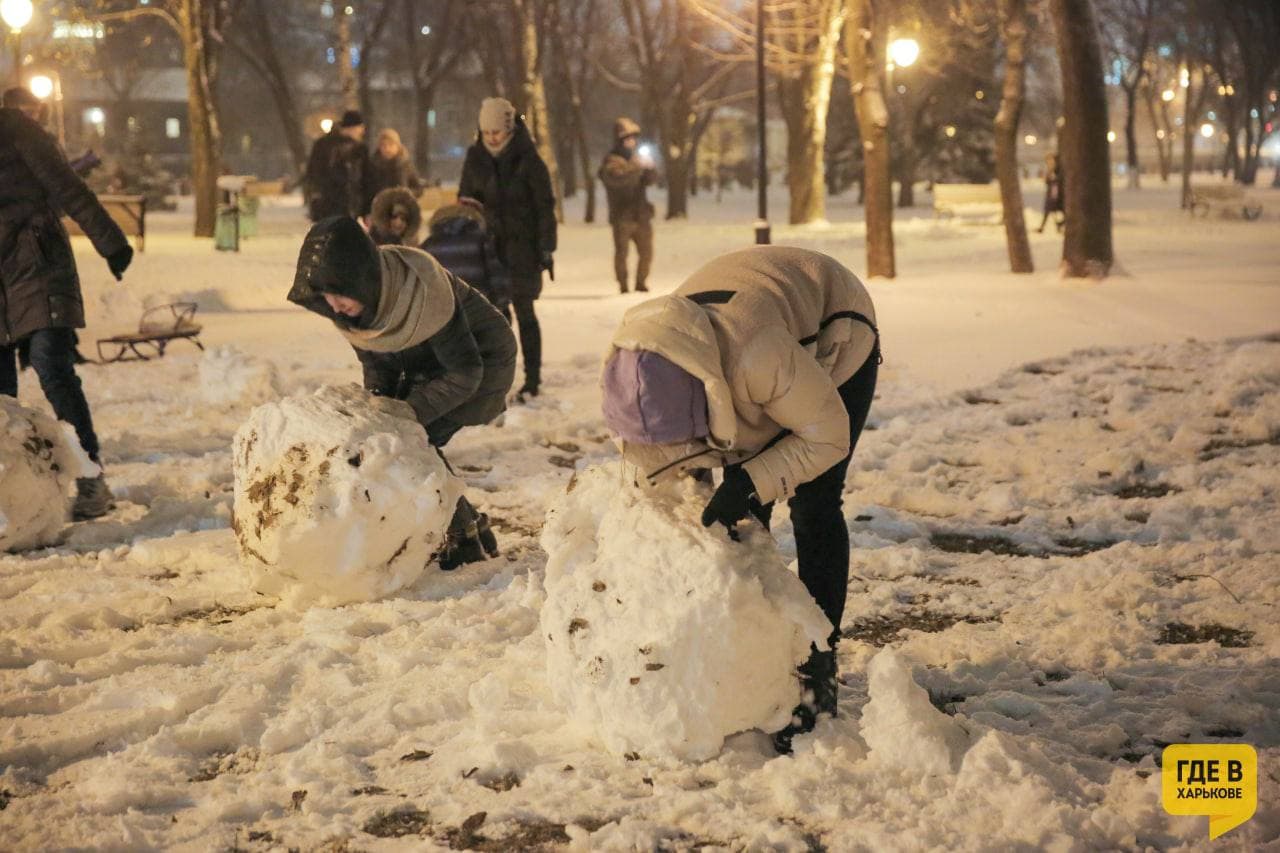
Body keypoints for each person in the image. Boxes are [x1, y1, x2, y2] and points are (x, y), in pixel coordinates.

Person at [600, 246, 880, 753]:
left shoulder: (759, 356)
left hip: (835, 329)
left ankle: (817, 669)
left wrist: (747, 482)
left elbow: (826, 436)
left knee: (814, 503)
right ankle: (756, 652)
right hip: (749, 352)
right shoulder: (640, 363)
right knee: (741, 517)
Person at [288, 216, 517, 569]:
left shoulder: (422, 291)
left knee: (414, 442)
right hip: (429, 366)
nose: (334, 306)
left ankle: (463, 537)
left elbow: (465, 372)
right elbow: (378, 363)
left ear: (362, 281)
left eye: (339, 294)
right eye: (326, 297)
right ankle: (470, 529)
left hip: (480, 363)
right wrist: (377, 408)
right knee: (400, 439)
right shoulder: (358, 308)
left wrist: (404, 416)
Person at [1, 89, 135, 520]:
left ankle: (90, 477)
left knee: (51, 365)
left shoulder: (16, 129)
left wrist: (111, 242)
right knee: (0, 395)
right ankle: (12, 491)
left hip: (37, 262)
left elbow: (66, 185)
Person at [458, 97, 556, 403]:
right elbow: (465, 199)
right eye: (486, 132)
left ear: (509, 128)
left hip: (522, 248)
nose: (491, 138)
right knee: (495, 318)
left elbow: (544, 206)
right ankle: (498, 381)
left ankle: (533, 379)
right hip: (486, 251)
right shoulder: (475, 158)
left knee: (525, 313)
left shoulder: (528, 158)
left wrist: (546, 247)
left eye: (496, 132)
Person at [421, 197, 511, 316]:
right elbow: (496, 275)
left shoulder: (428, 245)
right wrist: (500, 303)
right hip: (478, 308)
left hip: (442, 314)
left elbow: (421, 283)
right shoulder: (481, 240)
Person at [599, 117, 656, 294]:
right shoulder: (611, 161)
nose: (633, 141)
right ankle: (623, 285)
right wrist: (637, 167)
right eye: (628, 138)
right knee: (622, 253)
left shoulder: (635, 159)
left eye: (634, 138)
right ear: (620, 140)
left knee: (646, 252)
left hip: (641, 215)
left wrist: (650, 169)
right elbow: (620, 181)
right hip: (622, 216)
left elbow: (649, 181)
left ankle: (641, 282)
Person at [303, 110, 372, 222]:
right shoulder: (324, 146)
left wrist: (365, 209)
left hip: (348, 206)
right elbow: (315, 174)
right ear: (352, 128)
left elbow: (367, 178)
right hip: (331, 205)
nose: (362, 131)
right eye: (360, 127)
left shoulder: (360, 148)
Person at [367, 128, 423, 200]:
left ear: (398, 146)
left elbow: (418, 188)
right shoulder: (373, 166)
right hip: (380, 207)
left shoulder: (405, 164)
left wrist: (408, 193)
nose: (387, 149)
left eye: (391, 144)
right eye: (383, 145)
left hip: (401, 207)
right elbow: (368, 190)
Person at [1037, 151, 1065, 233]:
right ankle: (1043, 227)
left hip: (1059, 194)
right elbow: (1047, 181)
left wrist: (1054, 179)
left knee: (1063, 212)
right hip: (1051, 194)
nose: (1049, 162)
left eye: (1051, 160)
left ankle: (1059, 225)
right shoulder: (1050, 170)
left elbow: (1060, 180)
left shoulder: (1059, 169)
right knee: (1048, 211)